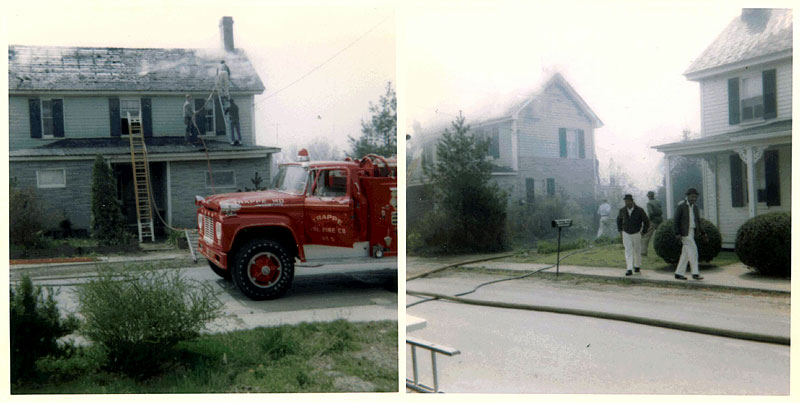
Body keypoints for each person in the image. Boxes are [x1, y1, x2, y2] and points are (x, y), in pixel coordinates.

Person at [673, 188, 707, 280]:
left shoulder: (695, 208)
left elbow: (698, 222)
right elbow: (676, 221)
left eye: (695, 197)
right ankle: (695, 273)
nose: (694, 199)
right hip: (684, 233)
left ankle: (678, 273)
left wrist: (703, 233)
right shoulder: (681, 206)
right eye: (692, 196)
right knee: (694, 251)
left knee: (685, 254)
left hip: (692, 232)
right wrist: (677, 233)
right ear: (687, 196)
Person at [617, 194, 650, 276]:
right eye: (625, 201)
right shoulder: (622, 210)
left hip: (636, 233)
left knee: (637, 250)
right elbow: (618, 220)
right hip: (626, 233)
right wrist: (620, 231)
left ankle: (637, 266)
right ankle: (629, 269)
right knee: (628, 250)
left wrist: (643, 232)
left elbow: (646, 222)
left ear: (632, 201)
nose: (626, 203)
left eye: (628, 201)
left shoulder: (639, 210)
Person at [640, 191, 663, 257]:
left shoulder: (649, 203)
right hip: (660, 220)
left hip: (653, 221)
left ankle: (643, 252)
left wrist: (649, 220)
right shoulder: (658, 202)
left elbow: (651, 213)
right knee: (660, 236)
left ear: (648, 196)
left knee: (646, 237)